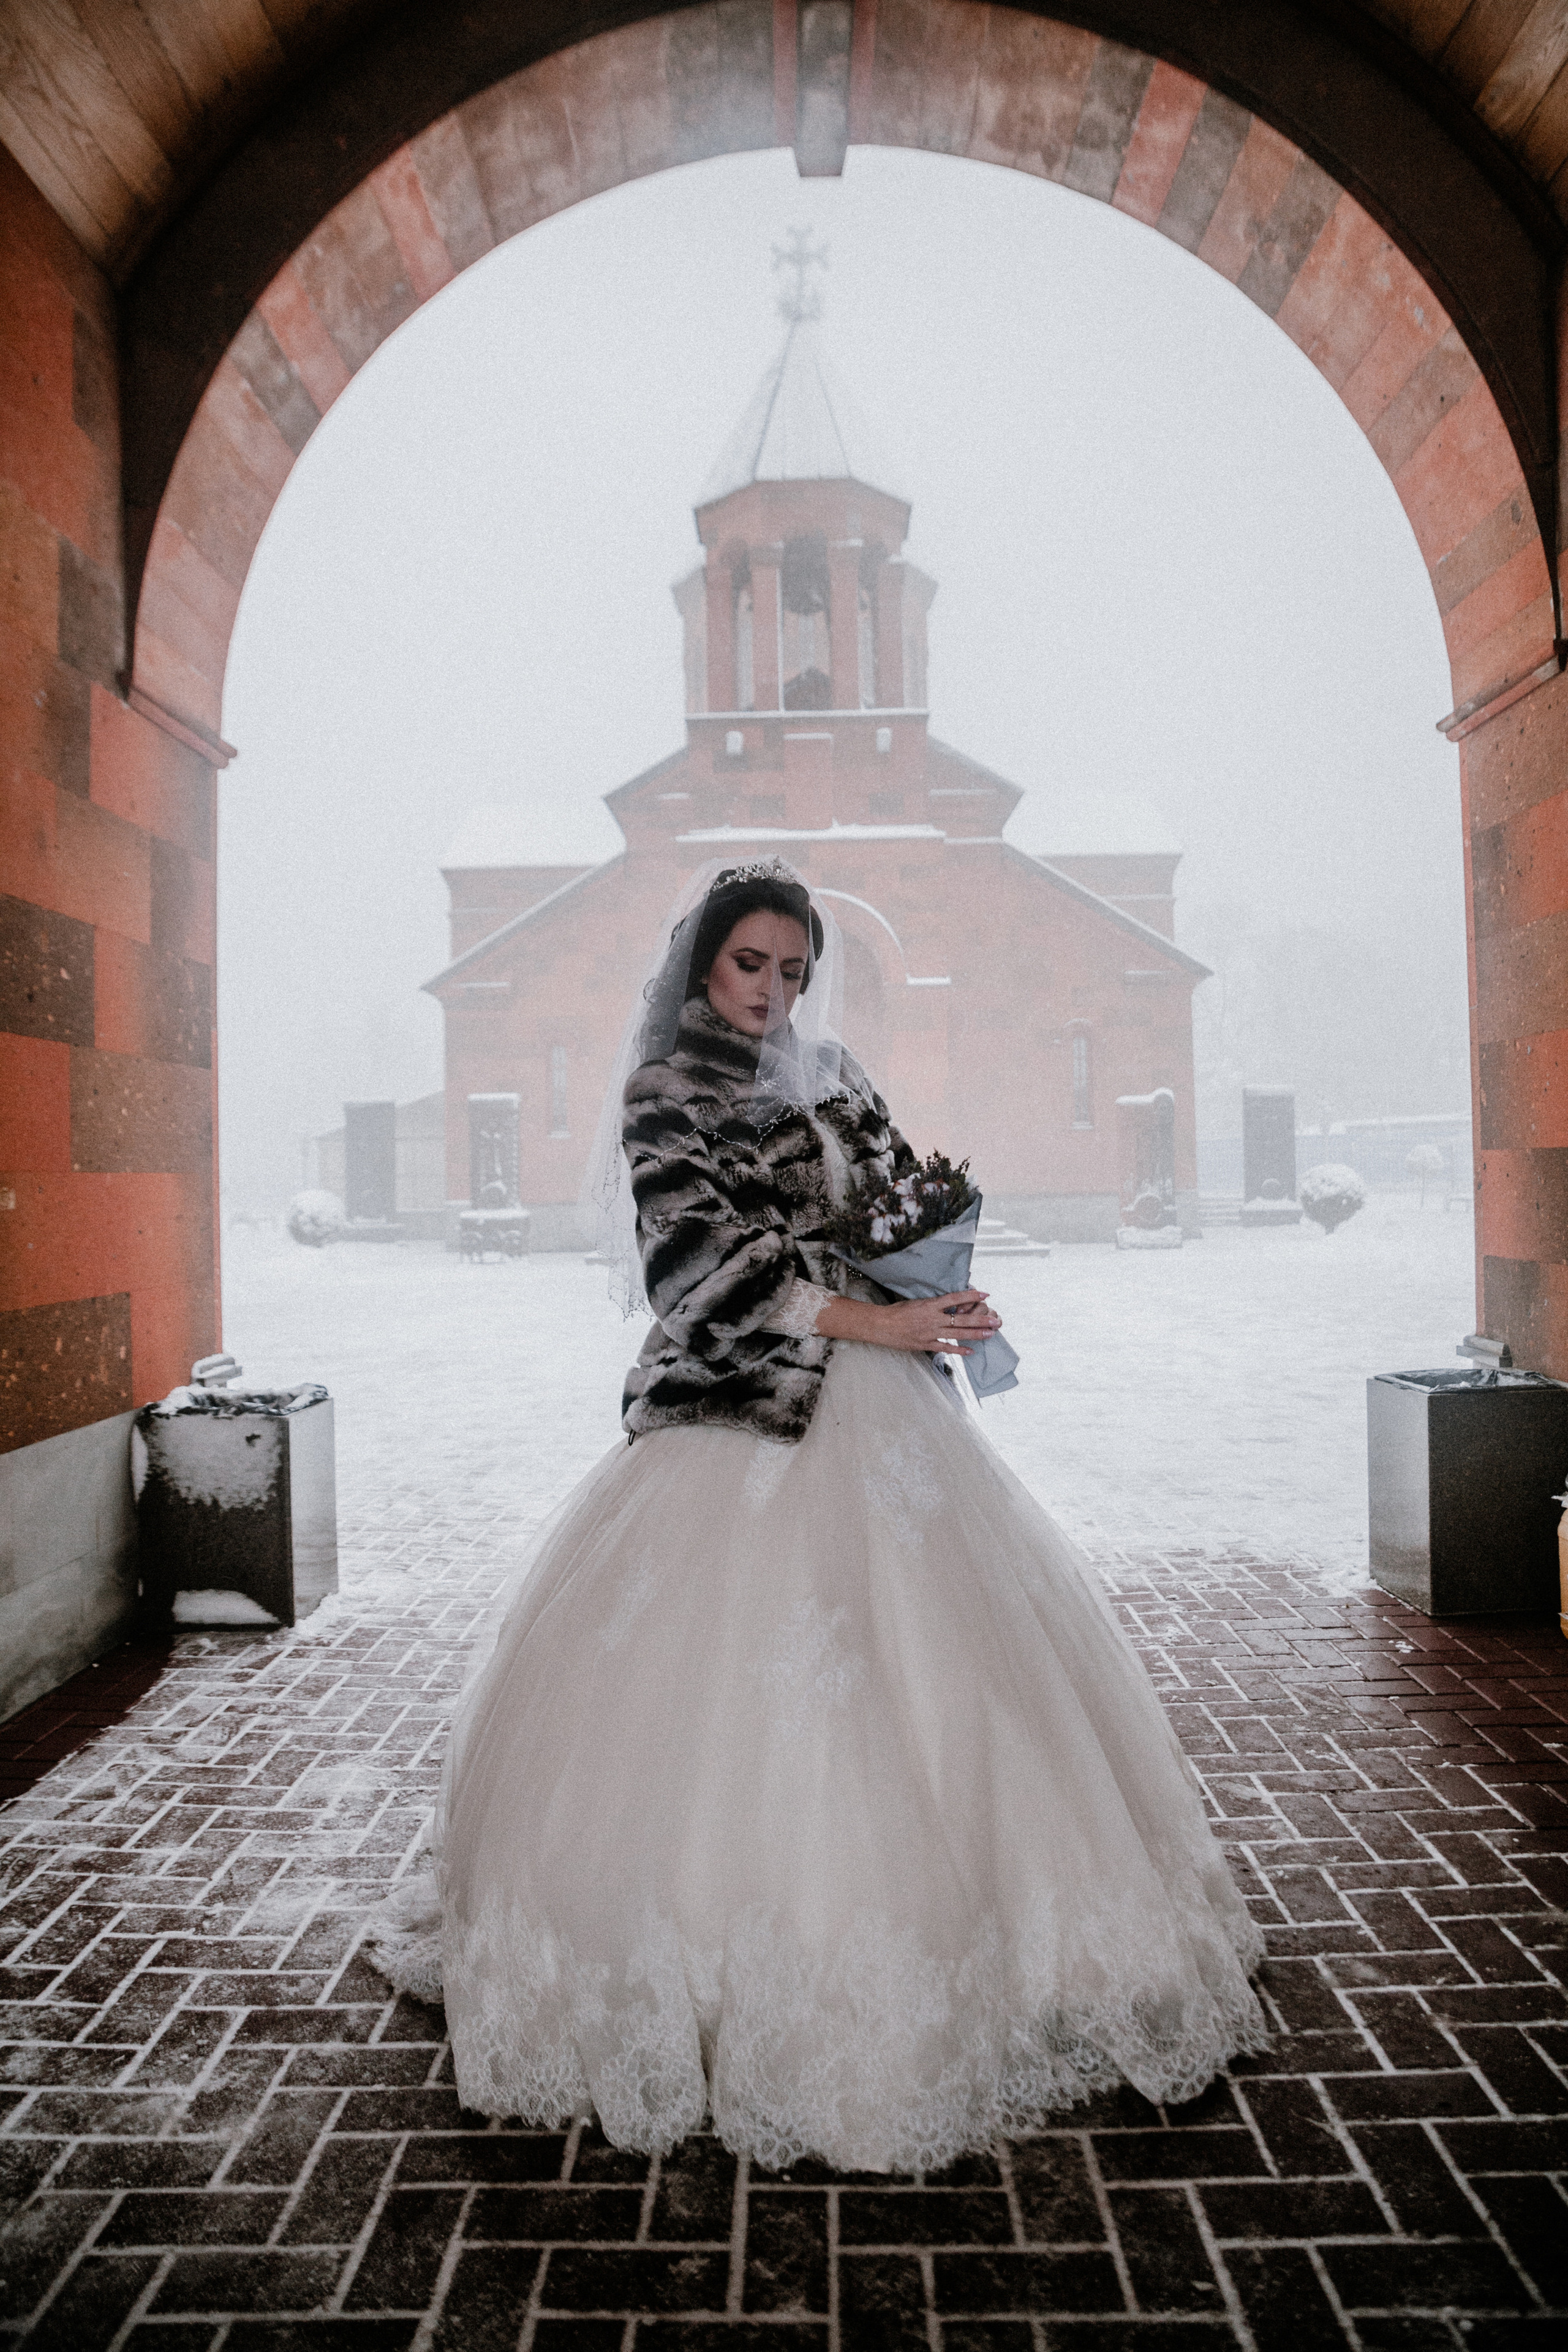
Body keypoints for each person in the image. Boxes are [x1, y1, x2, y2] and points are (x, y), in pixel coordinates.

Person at [368, 857, 1266, 2174]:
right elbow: (699, 1277)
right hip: (737, 1406)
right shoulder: (664, 1091)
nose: (773, 991)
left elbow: (893, 1193)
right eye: (751, 964)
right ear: (702, 963)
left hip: (885, 1402)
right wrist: (875, 1314)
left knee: (960, 1677)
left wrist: (938, 1279)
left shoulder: (834, 1070)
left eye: (793, 969)